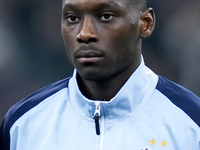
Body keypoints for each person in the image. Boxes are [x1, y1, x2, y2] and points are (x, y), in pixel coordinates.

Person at [0, 0, 200, 149]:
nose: (84, 33)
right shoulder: (23, 124)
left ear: (145, 23)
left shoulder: (191, 122)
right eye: (72, 18)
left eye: (105, 16)